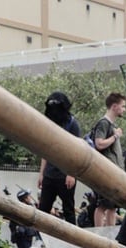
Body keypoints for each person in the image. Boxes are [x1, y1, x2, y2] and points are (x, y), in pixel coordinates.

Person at [38, 91, 80, 226]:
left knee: (68, 209)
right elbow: (45, 150)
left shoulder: (72, 124)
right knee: (43, 209)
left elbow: (77, 150)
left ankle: (73, 241)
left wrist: (71, 173)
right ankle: (41, 239)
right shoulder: (48, 124)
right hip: (49, 174)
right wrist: (41, 174)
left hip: (65, 175)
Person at [92, 92, 126, 227]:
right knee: (103, 205)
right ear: (114, 106)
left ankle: (111, 236)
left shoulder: (111, 125)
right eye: (122, 106)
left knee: (112, 206)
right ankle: (99, 235)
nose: (124, 109)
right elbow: (99, 143)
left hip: (115, 172)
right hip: (106, 171)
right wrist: (115, 136)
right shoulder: (104, 123)